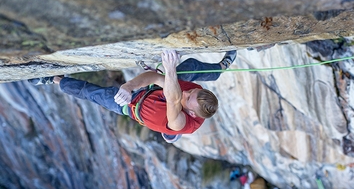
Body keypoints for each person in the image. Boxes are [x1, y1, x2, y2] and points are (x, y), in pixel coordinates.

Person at [28, 50, 237, 142]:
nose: (188, 91)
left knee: (92, 93)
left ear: (190, 111)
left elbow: (173, 100)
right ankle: (220, 67)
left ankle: (53, 79)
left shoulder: (182, 122)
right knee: (189, 68)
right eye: (192, 91)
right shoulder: (190, 92)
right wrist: (128, 87)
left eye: (189, 96)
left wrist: (170, 68)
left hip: (130, 108)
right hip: (142, 94)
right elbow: (155, 77)